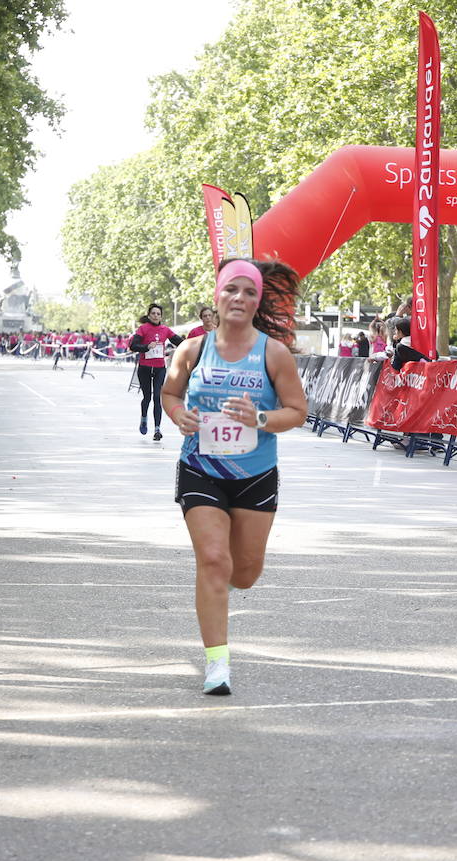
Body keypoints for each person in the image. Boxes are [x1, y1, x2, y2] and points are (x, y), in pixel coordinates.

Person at [161, 258, 308, 695]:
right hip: (200, 469)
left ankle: (219, 586)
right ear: (217, 297)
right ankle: (217, 665)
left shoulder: (273, 353)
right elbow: (171, 392)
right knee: (213, 560)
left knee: (242, 573)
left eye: (249, 292)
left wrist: (260, 417)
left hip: (255, 475)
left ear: (257, 301)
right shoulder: (192, 350)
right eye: (231, 290)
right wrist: (178, 415)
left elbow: (297, 412)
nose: (239, 299)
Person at [129, 303, 182, 441]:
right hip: (144, 368)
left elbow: (179, 341)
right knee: (147, 397)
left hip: (159, 368)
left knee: (157, 397)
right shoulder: (143, 329)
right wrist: (146, 347)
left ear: (161, 316)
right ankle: (144, 418)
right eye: (153, 313)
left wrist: (193, 345)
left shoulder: (165, 330)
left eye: (158, 314)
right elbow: (133, 346)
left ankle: (157, 429)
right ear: (149, 315)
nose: (156, 316)